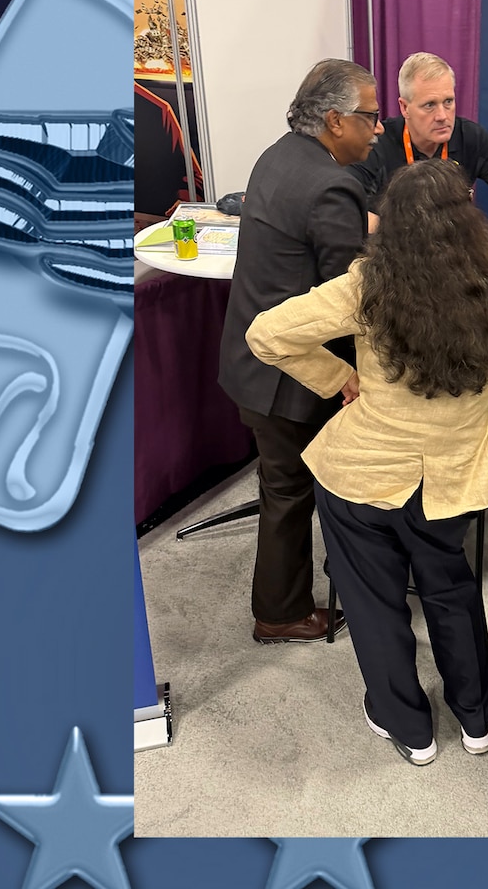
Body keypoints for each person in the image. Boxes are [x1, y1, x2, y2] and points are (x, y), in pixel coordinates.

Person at [247, 159, 488, 765]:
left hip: (360, 474)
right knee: (452, 591)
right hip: (452, 480)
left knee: (373, 603)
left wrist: (339, 378)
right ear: (468, 219)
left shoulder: (366, 284)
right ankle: (476, 716)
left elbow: (266, 333)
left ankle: (408, 728)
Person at [218, 58, 381, 645]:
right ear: (336, 121)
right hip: (290, 375)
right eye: (371, 117)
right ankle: (281, 612)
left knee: (280, 486)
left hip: (252, 359)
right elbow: (349, 295)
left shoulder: (280, 154)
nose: (379, 128)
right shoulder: (333, 183)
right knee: (289, 493)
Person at [348, 52, 488, 230]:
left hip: (453, 253)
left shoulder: (470, 138)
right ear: (405, 108)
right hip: (391, 253)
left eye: (448, 102)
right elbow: (347, 212)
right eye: (429, 105)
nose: (442, 116)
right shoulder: (377, 144)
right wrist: (404, 232)